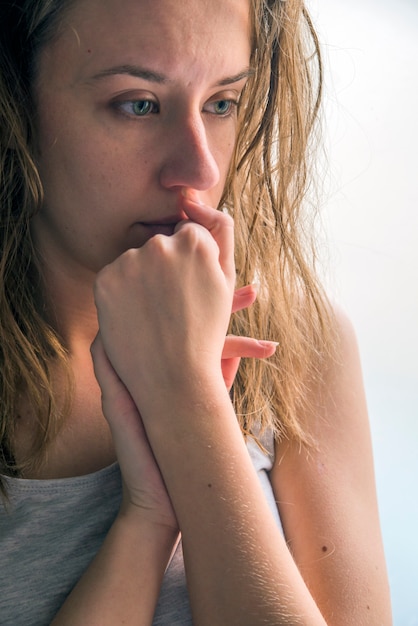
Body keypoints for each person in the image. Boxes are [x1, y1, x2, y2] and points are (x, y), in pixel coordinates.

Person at [0, 0, 392, 624]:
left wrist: (189, 407)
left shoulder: (298, 345)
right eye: (139, 104)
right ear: (16, 104)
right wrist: (149, 517)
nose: (199, 168)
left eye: (221, 103)